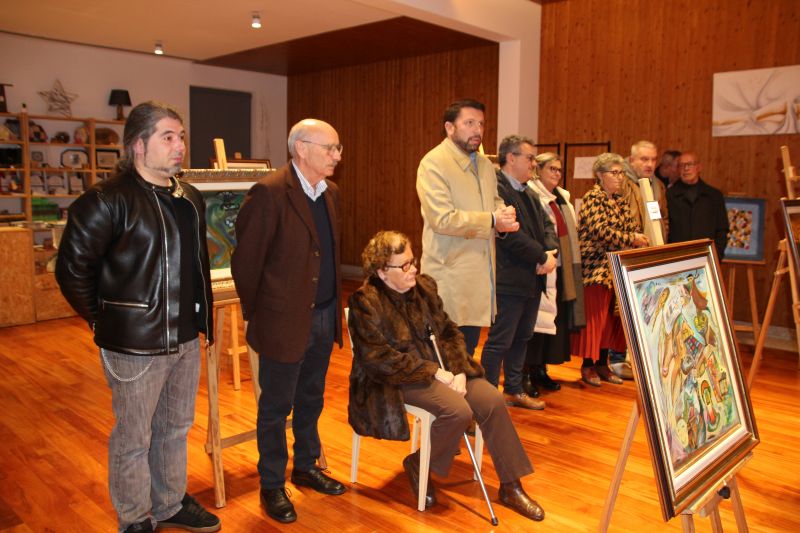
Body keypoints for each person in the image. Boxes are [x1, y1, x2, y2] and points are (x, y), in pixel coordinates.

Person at [55, 101, 220, 533]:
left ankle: (169, 503)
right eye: (168, 137)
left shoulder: (189, 197)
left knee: (175, 428)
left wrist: (201, 323)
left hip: (185, 339)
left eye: (181, 137)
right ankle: (133, 518)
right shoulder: (105, 200)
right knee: (134, 437)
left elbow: (196, 267)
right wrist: (104, 320)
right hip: (133, 344)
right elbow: (72, 270)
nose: (179, 146)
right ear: (138, 145)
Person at [347, 230, 545, 522]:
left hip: (444, 370)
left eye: (413, 261)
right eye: (404, 265)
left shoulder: (424, 288)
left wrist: (459, 369)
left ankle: (511, 486)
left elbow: (450, 332)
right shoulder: (366, 302)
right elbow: (378, 359)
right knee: (457, 410)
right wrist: (434, 372)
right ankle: (421, 466)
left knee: (491, 399)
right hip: (397, 379)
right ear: (382, 271)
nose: (413, 269)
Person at [231, 118, 345, 524]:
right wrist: (262, 314)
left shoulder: (331, 193)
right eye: (330, 148)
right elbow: (246, 263)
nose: (336, 156)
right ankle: (272, 483)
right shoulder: (270, 192)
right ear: (301, 148)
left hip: (324, 313)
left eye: (338, 149)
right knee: (276, 407)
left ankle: (306, 466)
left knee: (311, 398)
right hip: (283, 320)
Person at [416, 99, 519, 356]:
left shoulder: (484, 165)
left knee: (468, 352)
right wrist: (492, 220)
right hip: (450, 278)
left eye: (481, 124)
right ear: (449, 127)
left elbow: (494, 203)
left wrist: (504, 216)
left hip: (479, 277)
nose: (477, 130)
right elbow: (442, 219)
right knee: (445, 357)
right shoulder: (433, 163)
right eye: (469, 123)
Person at [480, 135, 557, 410]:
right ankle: (488, 397)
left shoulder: (530, 193)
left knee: (522, 337)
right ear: (511, 158)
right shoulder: (497, 190)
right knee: (500, 341)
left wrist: (549, 253)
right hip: (509, 278)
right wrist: (541, 256)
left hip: (532, 278)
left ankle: (513, 390)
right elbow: (510, 236)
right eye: (530, 158)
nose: (534, 164)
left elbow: (548, 227)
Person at [571, 153, 649, 387]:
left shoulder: (620, 200)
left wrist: (636, 236)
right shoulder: (593, 197)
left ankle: (602, 364)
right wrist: (631, 239)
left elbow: (631, 227)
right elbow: (600, 231)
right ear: (599, 175)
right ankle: (588, 365)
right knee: (595, 321)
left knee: (608, 321)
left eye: (621, 173)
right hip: (596, 269)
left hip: (615, 268)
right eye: (614, 173)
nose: (619, 177)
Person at [525, 152, 585, 396]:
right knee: (534, 325)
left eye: (559, 169)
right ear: (538, 169)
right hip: (539, 268)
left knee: (551, 324)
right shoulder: (532, 195)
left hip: (561, 270)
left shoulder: (562, 198)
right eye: (552, 169)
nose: (557, 174)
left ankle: (541, 369)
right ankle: (526, 373)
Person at [667, 151, 728, 259]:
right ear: (678, 170)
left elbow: (722, 229)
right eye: (682, 165)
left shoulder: (714, 196)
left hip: (706, 257)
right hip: (676, 258)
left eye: (690, 164)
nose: (686, 169)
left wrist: (717, 255)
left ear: (699, 167)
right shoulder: (669, 195)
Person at [621, 140, 669, 241]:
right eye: (644, 159)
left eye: (654, 160)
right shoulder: (621, 183)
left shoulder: (659, 185)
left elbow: (664, 217)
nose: (650, 164)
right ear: (632, 160)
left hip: (656, 244)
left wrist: (663, 236)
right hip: (632, 244)